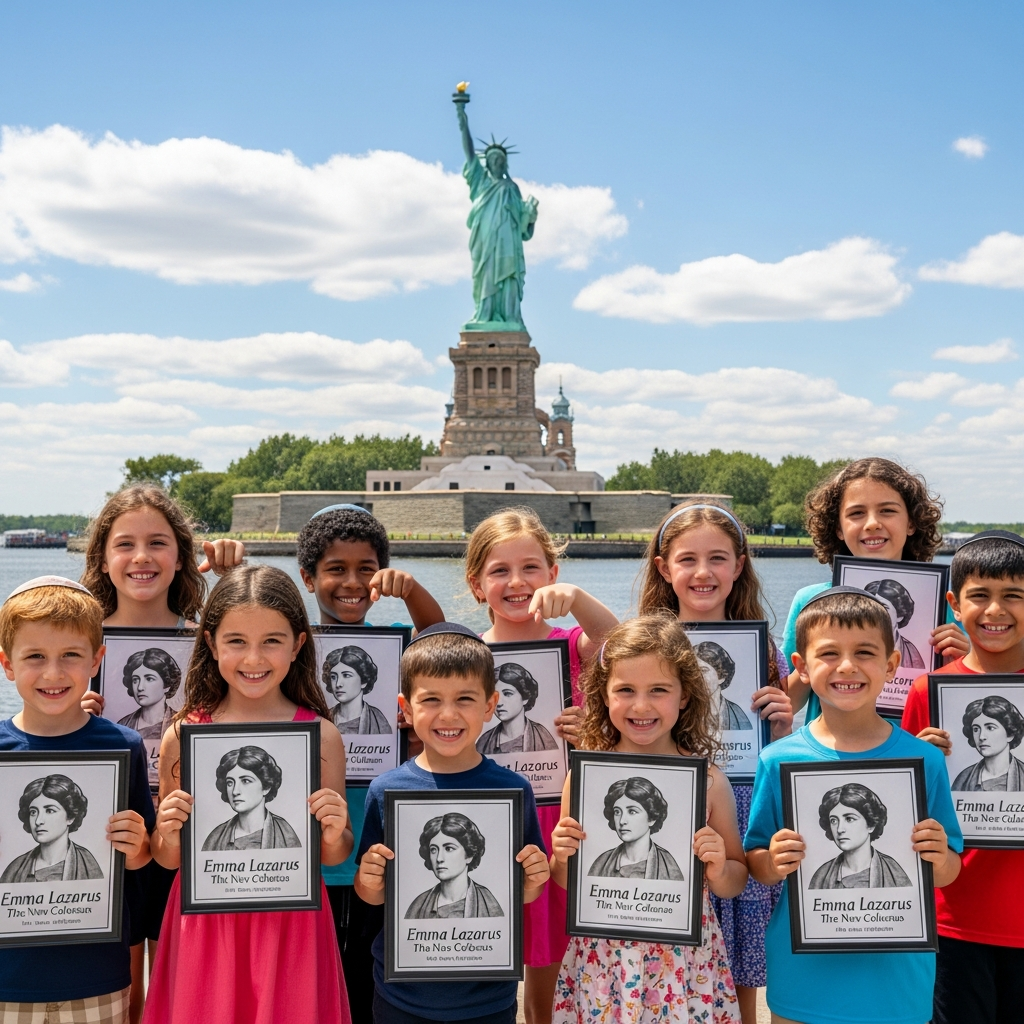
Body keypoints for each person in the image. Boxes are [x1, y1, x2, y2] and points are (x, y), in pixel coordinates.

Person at [144, 564, 352, 1024]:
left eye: (271, 641)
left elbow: (334, 856)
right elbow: (166, 858)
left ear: (298, 644)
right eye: (236, 641)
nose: (253, 659)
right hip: (205, 921)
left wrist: (335, 830)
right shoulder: (183, 734)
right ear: (211, 642)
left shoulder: (322, 736)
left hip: (292, 922)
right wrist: (168, 831)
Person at [746, 587, 962, 1024]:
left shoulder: (924, 761)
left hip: (896, 981)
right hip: (803, 978)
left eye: (865, 652)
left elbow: (948, 870)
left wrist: (939, 856)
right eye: (828, 654)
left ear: (892, 665)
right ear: (801, 667)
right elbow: (757, 863)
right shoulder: (778, 759)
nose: (847, 666)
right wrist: (774, 860)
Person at [80, 484, 244, 1024]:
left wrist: (229, 580)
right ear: (103, 559)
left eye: (158, 542)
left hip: (187, 830)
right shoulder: (78, 647)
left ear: (181, 557)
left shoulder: (210, 642)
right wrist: (72, 717)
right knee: (122, 991)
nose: (142, 557)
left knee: (179, 986)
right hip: (111, 833)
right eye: (125, 544)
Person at [637, 500, 793, 1024]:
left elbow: (774, 746)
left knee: (739, 959)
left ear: (739, 564)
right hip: (669, 803)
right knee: (666, 956)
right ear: (664, 568)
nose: (703, 573)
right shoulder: (642, 643)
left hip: (744, 805)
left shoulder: (763, 648)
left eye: (718, 559)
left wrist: (781, 722)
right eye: (687, 560)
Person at [549, 614, 747, 1024]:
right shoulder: (584, 778)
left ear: (685, 696)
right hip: (605, 956)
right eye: (625, 690)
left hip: (683, 959)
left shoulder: (708, 781)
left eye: (659, 690)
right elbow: (566, 879)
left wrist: (717, 864)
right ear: (603, 695)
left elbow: (735, 880)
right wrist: (563, 853)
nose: (641, 706)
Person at [464, 507, 618, 1024]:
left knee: (555, 964)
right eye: (499, 571)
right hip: (492, 822)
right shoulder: (466, 656)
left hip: (562, 821)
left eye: (531, 567)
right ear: (475, 584)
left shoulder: (571, 644)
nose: (516, 582)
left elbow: (624, 646)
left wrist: (576, 601)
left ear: (552, 574)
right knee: (493, 950)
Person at [355, 623, 550, 1024]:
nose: (448, 714)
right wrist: (370, 880)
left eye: (465, 698)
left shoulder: (514, 790)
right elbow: (372, 895)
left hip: (487, 999)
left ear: (489, 704)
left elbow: (523, 895)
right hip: (400, 995)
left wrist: (533, 880)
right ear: (406, 708)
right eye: (430, 700)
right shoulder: (385, 789)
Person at [296, 503, 445, 1022]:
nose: (352, 582)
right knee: (315, 983)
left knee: (369, 978)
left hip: (377, 852)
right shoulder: (290, 651)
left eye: (367, 569)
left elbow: (444, 639)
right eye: (336, 569)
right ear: (307, 577)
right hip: (313, 857)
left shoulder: (396, 649)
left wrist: (410, 590)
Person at [0, 577, 153, 1022]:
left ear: (96, 660)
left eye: (70, 655)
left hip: (97, 976)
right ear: (7, 665)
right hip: (8, 977)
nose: (53, 673)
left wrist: (138, 844)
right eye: (35, 657)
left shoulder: (123, 746)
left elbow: (142, 863)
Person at [900, 529, 1024, 1023]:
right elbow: (904, 811)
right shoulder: (926, 692)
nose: (995, 611)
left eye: (1013, 596)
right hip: (955, 916)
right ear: (953, 602)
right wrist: (921, 763)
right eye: (980, 596)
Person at [781, 458, 970, 724]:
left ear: (912, 523)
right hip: (832, 755)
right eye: (856, 513)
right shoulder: (811, 600)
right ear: (838, 527)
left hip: (919, 746)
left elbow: (966, 697)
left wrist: (965, 660)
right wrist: (814, 666)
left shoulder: (948, 601)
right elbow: (788, 700)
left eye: (887, 511)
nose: (872, 523)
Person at [1, 774, 105, 882]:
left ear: (70, 817)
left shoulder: (87, 864)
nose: (38, 821)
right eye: (33, 812)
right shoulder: (15, 869)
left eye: (50, 810)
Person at [807, 783, 912, 889]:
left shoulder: (893, 872)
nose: (839, 829)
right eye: (833, 820)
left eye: (849, 819)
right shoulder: (821, 876)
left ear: (871, 824)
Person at [201, 745, 303, 850]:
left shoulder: (285, 834)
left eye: (245, 781)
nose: (235, 791)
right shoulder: (216, 838)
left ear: (266, 786)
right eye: (230, 783)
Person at [404, 812, 504, 919]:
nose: (439, 858)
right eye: (433, 850)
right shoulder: (418, 906)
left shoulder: (487, 903)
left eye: (449, 848)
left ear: (469, 854)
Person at [586, 776, 685, 880]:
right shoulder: (601, 864)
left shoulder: (668, 866)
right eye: (617, 812)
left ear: (651, 818)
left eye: (632, 811)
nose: (622, 821)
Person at [118, 648, 182, 785]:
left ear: (167, 684)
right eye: (135, 680)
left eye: (149, 679)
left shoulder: (180, 726)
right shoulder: (122, 727)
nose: (140, 687)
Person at [477, 662, 558, 753]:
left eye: (507, 694)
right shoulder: (483, 742)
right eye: (494, 696)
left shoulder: (542, 737)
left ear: (525, 697)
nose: (498, 703)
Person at [951, 696, 1024, 791]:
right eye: (976, 729)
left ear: (1010, 734)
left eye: (990, 728)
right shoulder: (963, 779)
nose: (981, 736)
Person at [322, 645, 393, 734]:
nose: (338, 684)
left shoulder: (378, 720)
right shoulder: (324, 719)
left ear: (364, 681)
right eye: (333, 677)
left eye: (346, 675)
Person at [864, 578, 926, 670]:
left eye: (884, 607)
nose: (875, 613)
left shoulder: (911, 653)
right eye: (870, 607)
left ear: (900, 615)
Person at [693, 640, 754, 731]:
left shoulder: (737, 714)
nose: (697, 677)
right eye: (693, 671)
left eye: (704, 671)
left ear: (721, 676)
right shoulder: (680, 712)